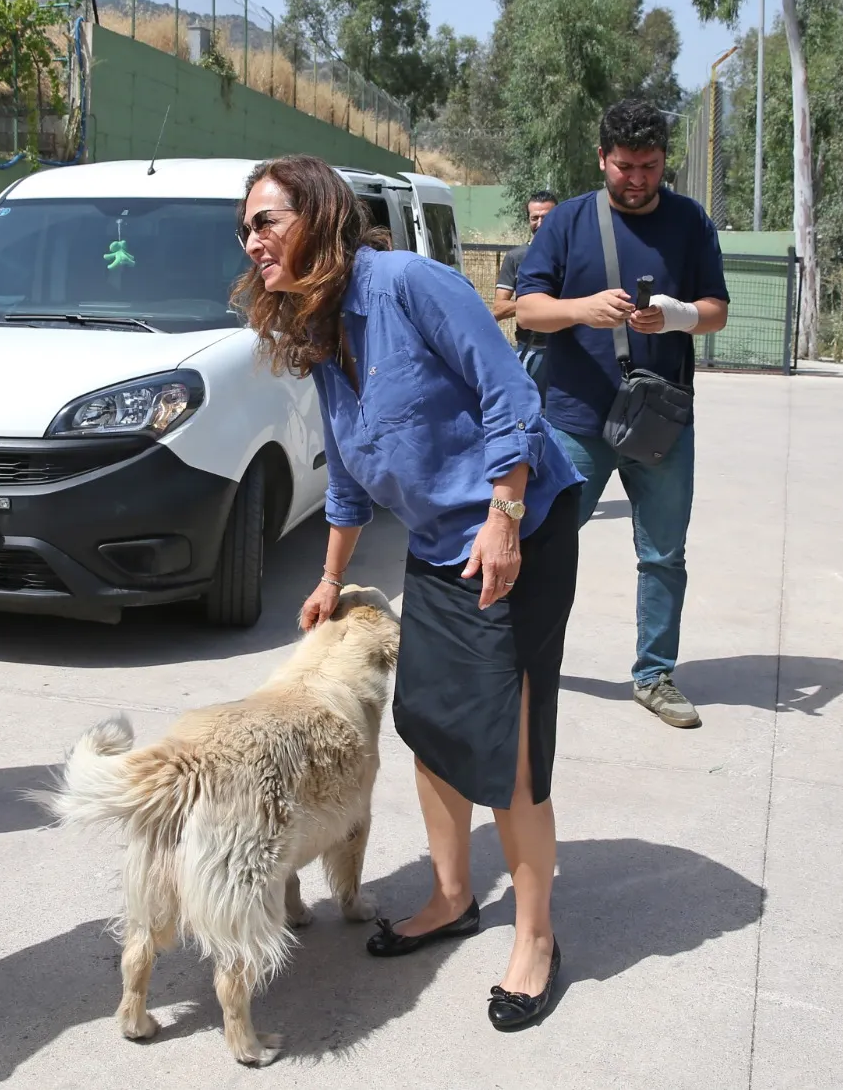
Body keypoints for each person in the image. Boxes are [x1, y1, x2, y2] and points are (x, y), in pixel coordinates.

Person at [235, 155, 584, 1031]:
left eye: (266, 220)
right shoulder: (319, 328)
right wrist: (326, 581)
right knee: (428, 717)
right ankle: (454, 894)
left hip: (522, 526)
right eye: (245, 228)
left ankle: (535, 938)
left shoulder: (409, 285)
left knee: (506, 746)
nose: (252, 240)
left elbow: (512, 398)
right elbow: (351, 476)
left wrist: (504, 516)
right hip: (438, 544)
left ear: (317, 215)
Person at [514, 98, 729, 730]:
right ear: (602, 157)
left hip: (660, 418)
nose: (637, 179)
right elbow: (527, 310)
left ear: (666, 161)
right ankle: (520, 657)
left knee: (663, 553)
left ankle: (654, 675)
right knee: (542, 542)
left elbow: (716, 308)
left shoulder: (691, 222)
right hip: (576, 419)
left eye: (651, 166)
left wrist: (678, 315)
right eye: (625, 166)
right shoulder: (569, 222)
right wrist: (581, 309)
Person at [492, 192, 558, 401]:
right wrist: (534, 302)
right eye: (534, 218)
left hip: (567, 352)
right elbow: (499, 309)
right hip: (530, 350)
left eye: (547, 217)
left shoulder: (573, 254)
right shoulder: (516, 257)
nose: (540, 223)